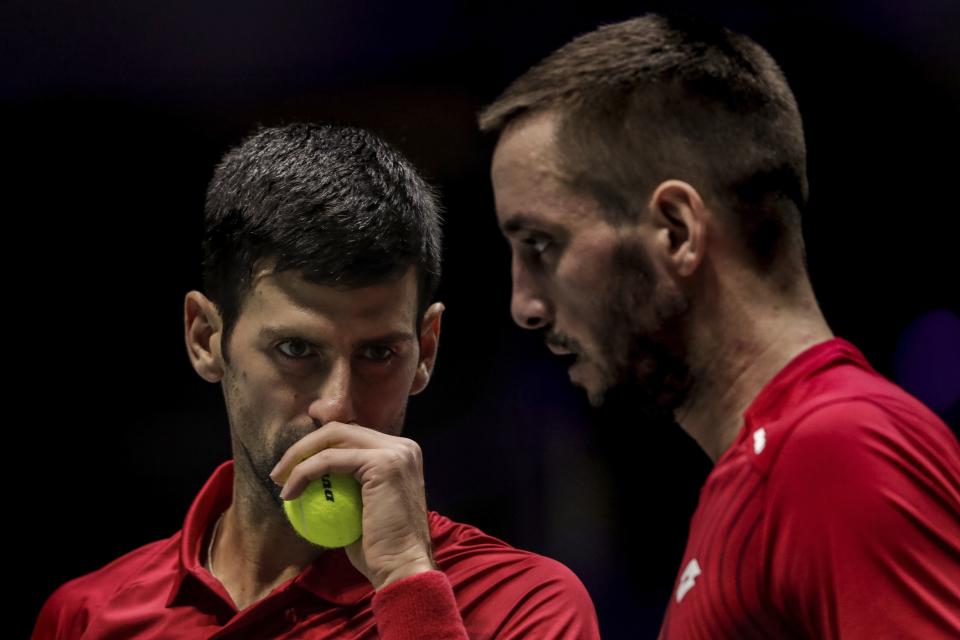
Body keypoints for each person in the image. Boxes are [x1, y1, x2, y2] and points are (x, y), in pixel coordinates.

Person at [478, 14, 960, 639]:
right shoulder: (760, 475)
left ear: (676, 230)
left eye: (542, 244)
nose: (525, 304)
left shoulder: (838, 447)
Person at [31, 123, 600, 639]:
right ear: (206, 338)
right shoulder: (85, 617)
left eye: (379, 353)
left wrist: (405, 580)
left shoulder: (525, 606)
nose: (336, 406)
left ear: (426, 350)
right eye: (296, 350)